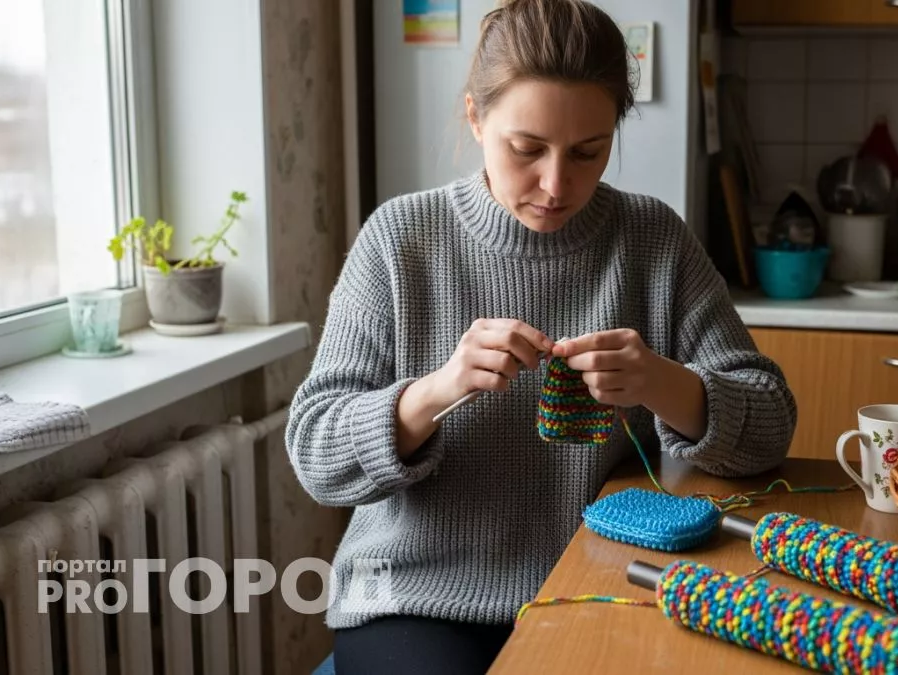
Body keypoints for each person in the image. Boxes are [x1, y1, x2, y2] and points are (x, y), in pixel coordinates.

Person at [285, 0, 797, 672]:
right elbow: (317, 456)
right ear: (475, 117)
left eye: (589, 152)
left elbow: (770, 425)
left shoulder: (653, 240)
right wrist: (437, 391)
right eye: (526, 149)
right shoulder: (399, 240)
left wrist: (662, 382)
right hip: (412, 596)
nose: (557, 185)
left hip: (607, 584)